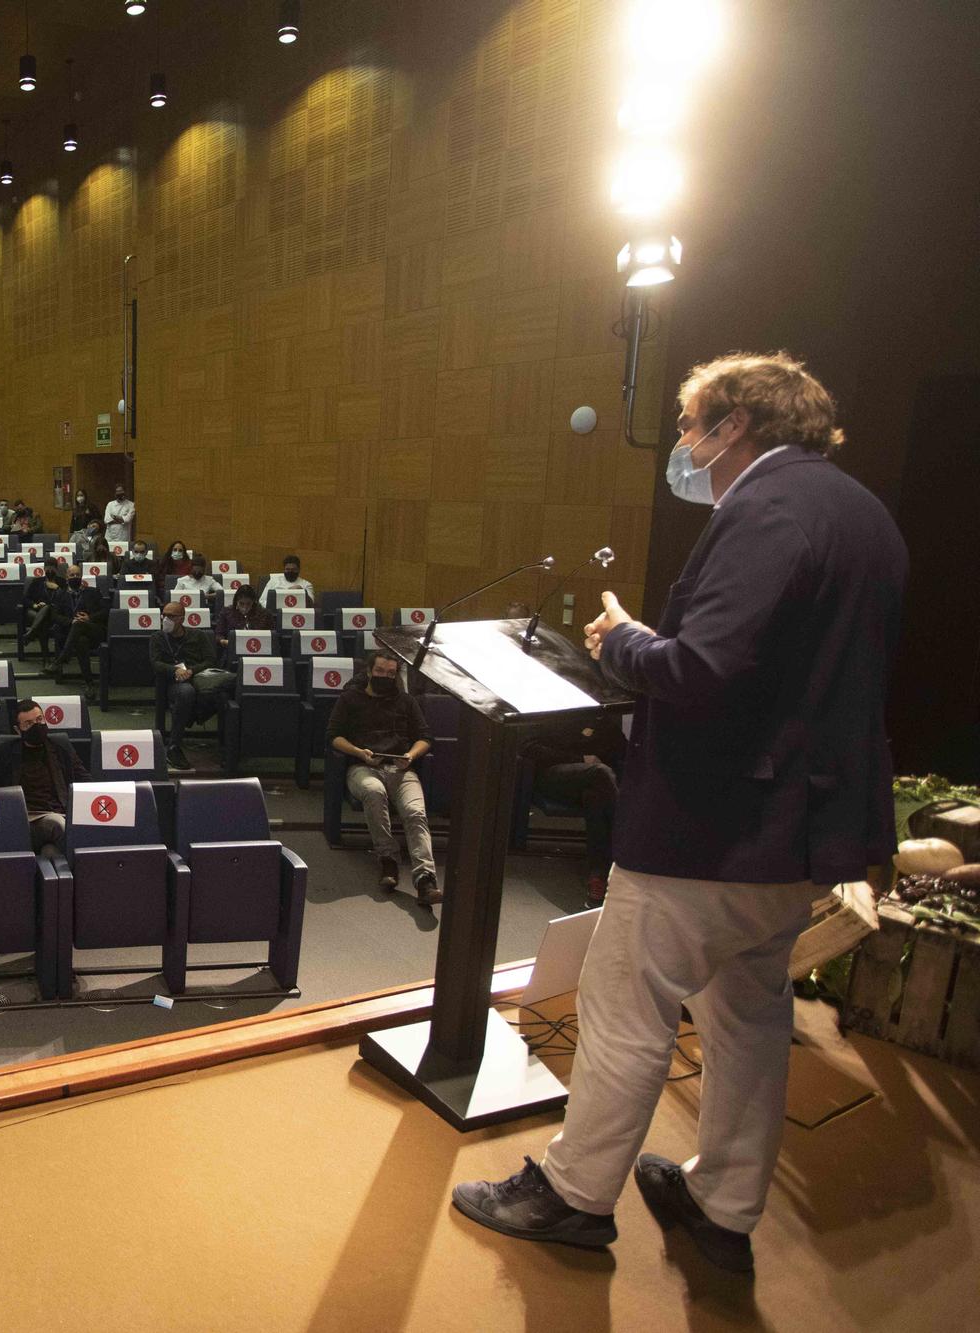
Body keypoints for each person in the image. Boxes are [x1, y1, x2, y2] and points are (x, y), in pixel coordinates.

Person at [454, 351, 909, 1274]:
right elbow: (793, 677)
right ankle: (723, 1201)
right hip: (802, 831)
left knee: (627, 1006)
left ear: (735, 424)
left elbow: (702, 673)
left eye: (692, 424)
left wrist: (624, 640)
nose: (685, 444)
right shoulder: (866, 515)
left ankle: (574, 1196)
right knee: (748, 1018)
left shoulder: (766, 509)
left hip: (714, 826)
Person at [325, 650, 438, 904]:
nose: (385, 677)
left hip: (401, 768)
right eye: (380, 672)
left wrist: (410, 755)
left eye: (391, 673)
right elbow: (333, 735)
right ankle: (388, 859)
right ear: (368, 672)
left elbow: (425, 738)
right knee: (374, 792)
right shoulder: (350, 699)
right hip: (363, 767)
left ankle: (425, 878)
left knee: (415, 812)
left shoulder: (406, 701)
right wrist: (359, 753)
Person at [522, 714, 626, 908]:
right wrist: (580, 759)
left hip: (596, 786)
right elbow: (528, 747)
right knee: (601, 773)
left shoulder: (602, 716)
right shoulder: (553, 709)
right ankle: (625, 853)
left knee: (594, 796)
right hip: (555, 777)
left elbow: (622, 750)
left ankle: (598, 877)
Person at [0, 698, 88, 855]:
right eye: (28, 724)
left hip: (60, 813)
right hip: (26, 818)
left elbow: (85, 779)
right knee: (57, 825)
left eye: (39, 720)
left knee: (51, 852)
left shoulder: (61, 748)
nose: (36, 726)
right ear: (18, 730)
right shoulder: (6, 752)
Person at [149, 602, 226, 773]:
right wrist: (175, 671)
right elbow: (155, 663)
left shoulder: (197, 635)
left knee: (223, 695)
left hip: (199, 678)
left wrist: (191, 671)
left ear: (181, 618)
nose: (166, 619)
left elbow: (210, 660)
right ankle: (174, 746)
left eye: (171, 616)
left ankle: (227, 746)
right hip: (173, 682)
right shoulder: (157, 638)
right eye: (164, 615)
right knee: (186, 692)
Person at [44, 565, 107, 684]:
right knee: (81, 640)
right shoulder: (60, 595)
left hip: (93, 630)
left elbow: (105, 611)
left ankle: (60, 660)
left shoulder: (93, 591)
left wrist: (89, 618)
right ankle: (89, 683)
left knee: (79, 624)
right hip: (70, 634)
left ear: (82, 577)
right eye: (72, 575)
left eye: (78, 575)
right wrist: (70, 621)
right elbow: (55, 616)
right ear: (67, 577)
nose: (75, 577)